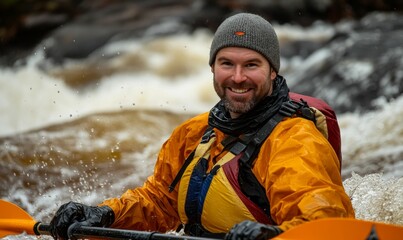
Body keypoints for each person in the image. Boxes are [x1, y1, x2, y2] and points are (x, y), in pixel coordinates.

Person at [49, 13, 355, 240]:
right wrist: (105, 214)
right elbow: (159, 203)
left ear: (273, 71)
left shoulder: (294, 140)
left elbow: (322, 219)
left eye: (251, 65)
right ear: (212, 68)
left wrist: (267, 235)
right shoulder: (195, 133)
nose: (237, 77)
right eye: (226, 64)